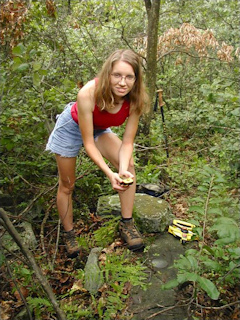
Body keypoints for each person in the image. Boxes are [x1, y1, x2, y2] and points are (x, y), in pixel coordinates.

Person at [46, 49, 150, 257]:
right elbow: (88, 143)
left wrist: (120, 171)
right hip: (71, 127)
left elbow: (127, 143)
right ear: (107, 75)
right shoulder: (88, 93)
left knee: (128, 167)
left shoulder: (136, 99)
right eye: (117, 75)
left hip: (100, 128)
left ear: (136, 79)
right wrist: (109, 174)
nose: (122, 82)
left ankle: (127, 224)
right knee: (67, 184)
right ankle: (69, 234)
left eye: (129, 77)